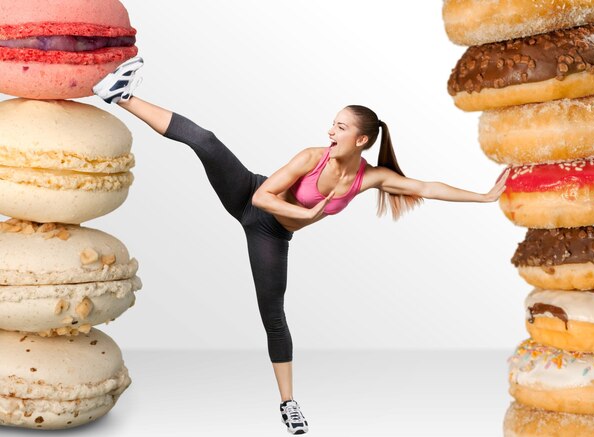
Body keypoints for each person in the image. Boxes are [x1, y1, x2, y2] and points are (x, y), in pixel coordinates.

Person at [93, 57, 508, 435]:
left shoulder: (371, 177)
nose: (331, 131)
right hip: (249, 194)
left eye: (341, 128)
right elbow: (260, 199)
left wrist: (485, 197)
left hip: (270, 236)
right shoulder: (313, 157)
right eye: (333, 124)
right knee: (207, 141)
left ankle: (288, 404)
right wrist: (309, 216)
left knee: (273, 314)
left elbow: (426, 186)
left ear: (362, 140)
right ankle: (121, 94)